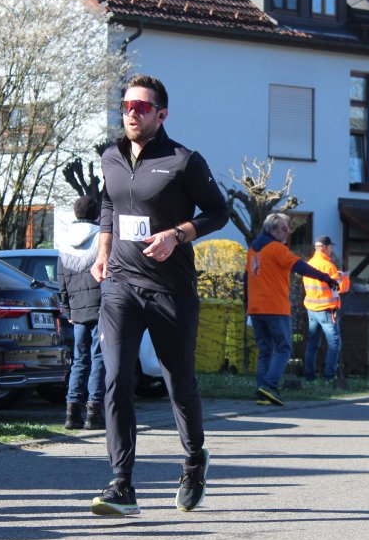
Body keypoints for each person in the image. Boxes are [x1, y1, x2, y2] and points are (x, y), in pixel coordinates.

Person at [90, 74, 228, 516]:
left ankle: (193, 460)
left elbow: (219, 212)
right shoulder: (110, 156)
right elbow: (109, 204)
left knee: (177, 381)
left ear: (161, 114)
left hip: (170, 289)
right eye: (126, 106)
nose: (132, 113)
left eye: (142, 107)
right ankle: (121, 485)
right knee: (115, 378)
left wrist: (177, 234)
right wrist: (102, 252)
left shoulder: (184, 161)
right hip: (120, 285)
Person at [246, 214, 339, 406]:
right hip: (275, 308)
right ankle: (270, 386)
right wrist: (325, 278)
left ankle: (263, 392)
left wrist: (247, 304)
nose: (288, 232)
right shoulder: (277, 249)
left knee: (265, 350)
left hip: (255, 308)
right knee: (283, 348)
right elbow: (300, 266)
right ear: (272, 230)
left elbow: (246, 278)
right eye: (284, 228)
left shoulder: (253, 250)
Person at [58, 195, 106, 430]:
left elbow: (62, 281)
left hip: (77, 312)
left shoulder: (65, 240)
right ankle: (93, 413)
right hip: (100, 308)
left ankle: (72, 413)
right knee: (98, 359)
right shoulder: (101, 238)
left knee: (79, 361)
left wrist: (68, 309)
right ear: (97, 214)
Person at [302, 235, 350, 382]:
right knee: (334, 343)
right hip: (327, 310)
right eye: (330, 247)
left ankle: (309, 376)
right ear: (325, 248)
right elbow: (340, 287)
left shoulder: (308, 264)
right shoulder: (329, 266)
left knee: (312, 344)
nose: (331, 249)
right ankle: (329, 376)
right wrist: (344, 278)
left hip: (312, 309)